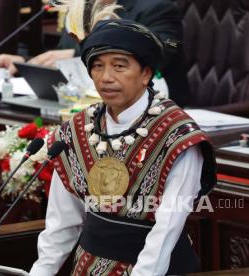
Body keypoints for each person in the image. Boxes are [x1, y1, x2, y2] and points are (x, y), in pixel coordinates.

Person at [29, 19, 216, 276]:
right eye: (97, 66)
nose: (106, 77)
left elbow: (167, 229)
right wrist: (41, 272)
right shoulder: (75, 129)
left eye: (119, 66)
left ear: (146, 73)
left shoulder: (177, 135)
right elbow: (62, 222)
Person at [0, 0, 190, 107]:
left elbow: (160, 56)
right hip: (81, 107)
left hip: (151, 112)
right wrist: (26, 62)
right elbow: (63, 60)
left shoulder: (157, 7)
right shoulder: (81, 8)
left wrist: (78, 53)